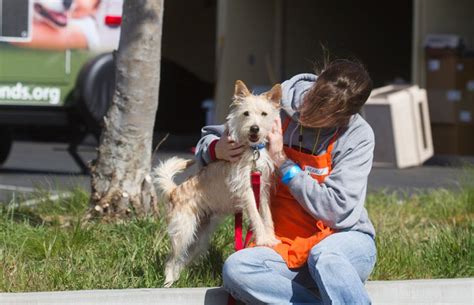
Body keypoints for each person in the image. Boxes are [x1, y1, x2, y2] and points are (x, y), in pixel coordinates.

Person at [195, 59, 377, 305]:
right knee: (237, 269)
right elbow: (212, 137)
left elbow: (337, 210)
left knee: (326, 257)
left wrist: (283, 162)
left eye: (326, 114)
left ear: (345, 117)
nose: (311, 113)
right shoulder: (275, 106)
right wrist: (217, 149)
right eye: (314, 101)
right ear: (316, 84)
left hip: (341, 240)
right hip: (283, 242)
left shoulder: (358, 136)